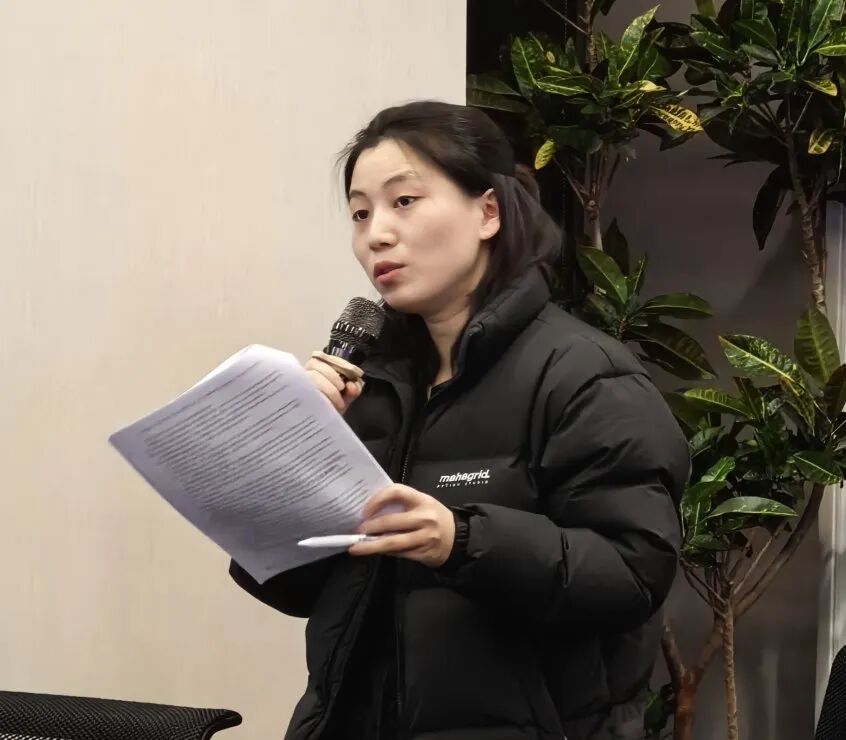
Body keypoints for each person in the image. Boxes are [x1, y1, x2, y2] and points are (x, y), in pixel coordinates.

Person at [229, 100, 690, 740]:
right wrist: (292, 455)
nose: (376, 234)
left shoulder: (585, 376)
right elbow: (305, 591)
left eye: (404, 201)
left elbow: (633, 575)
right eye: (360, 213)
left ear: (488, 212)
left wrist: (463, 541)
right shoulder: (372, 385)